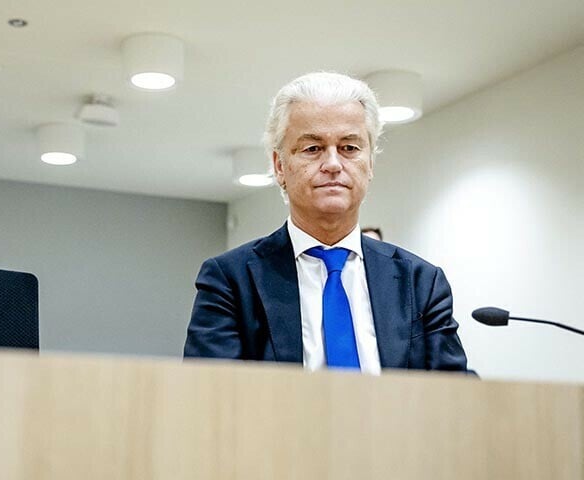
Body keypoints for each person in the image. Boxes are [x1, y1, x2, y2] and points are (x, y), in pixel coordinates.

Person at [184, 72, 470, 374]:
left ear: (370, 163)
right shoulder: (230, 280)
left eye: (349, 148)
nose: (333, 164)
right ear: (280, 166)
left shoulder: (421, 282)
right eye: (312, 148)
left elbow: (455, 398)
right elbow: (209, 400)